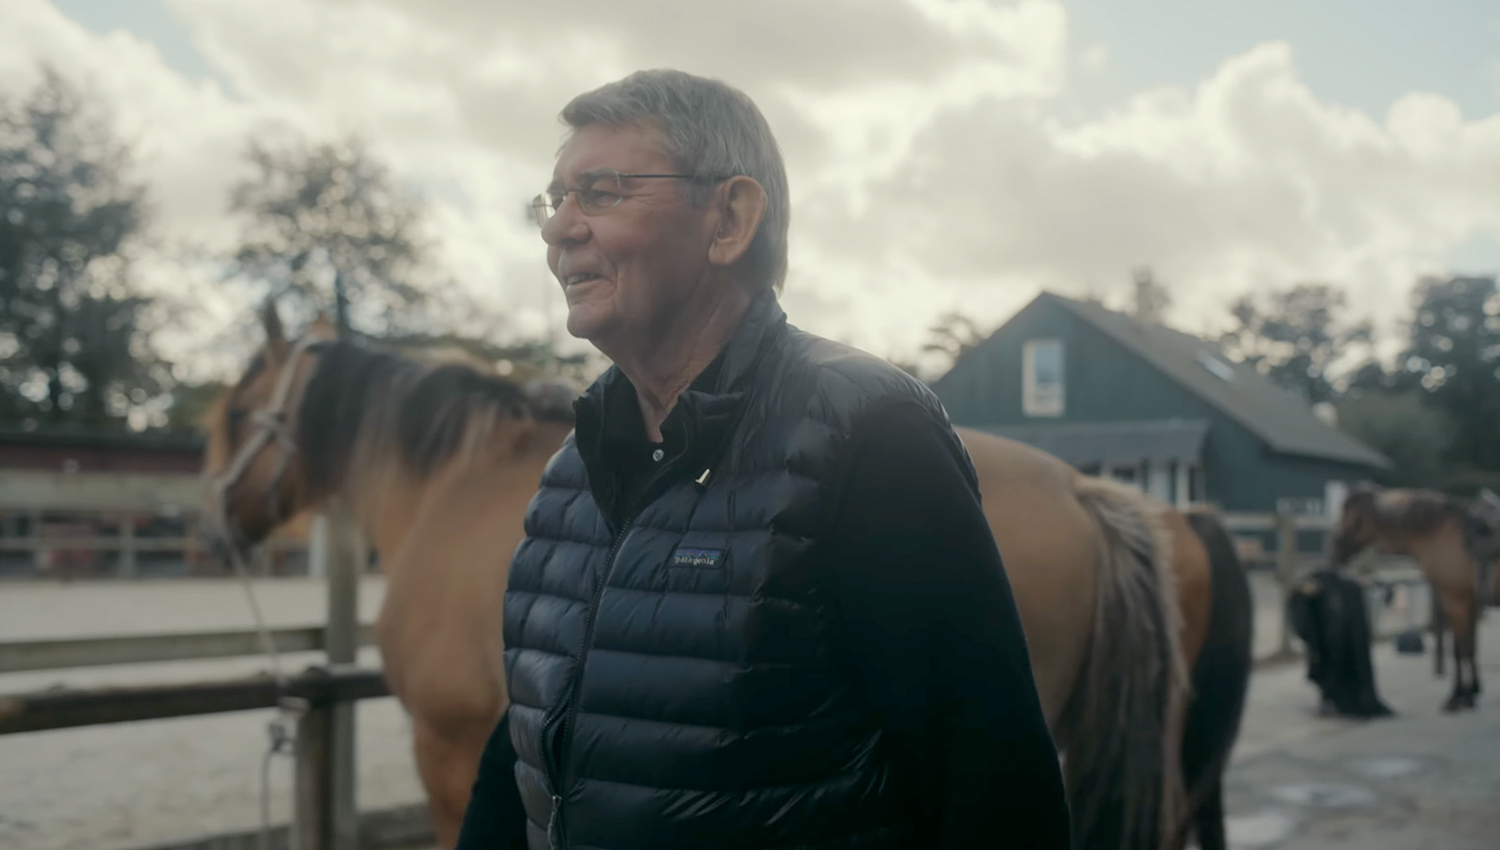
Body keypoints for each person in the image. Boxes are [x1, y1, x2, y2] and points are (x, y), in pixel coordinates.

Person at [456, 69, 1069, 850]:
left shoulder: (870, 436)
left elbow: (992, 782)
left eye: (601, 192)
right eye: (555, 199)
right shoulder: (571, 474)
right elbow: (526, 750)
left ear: (730, 219)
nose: (558, 227)